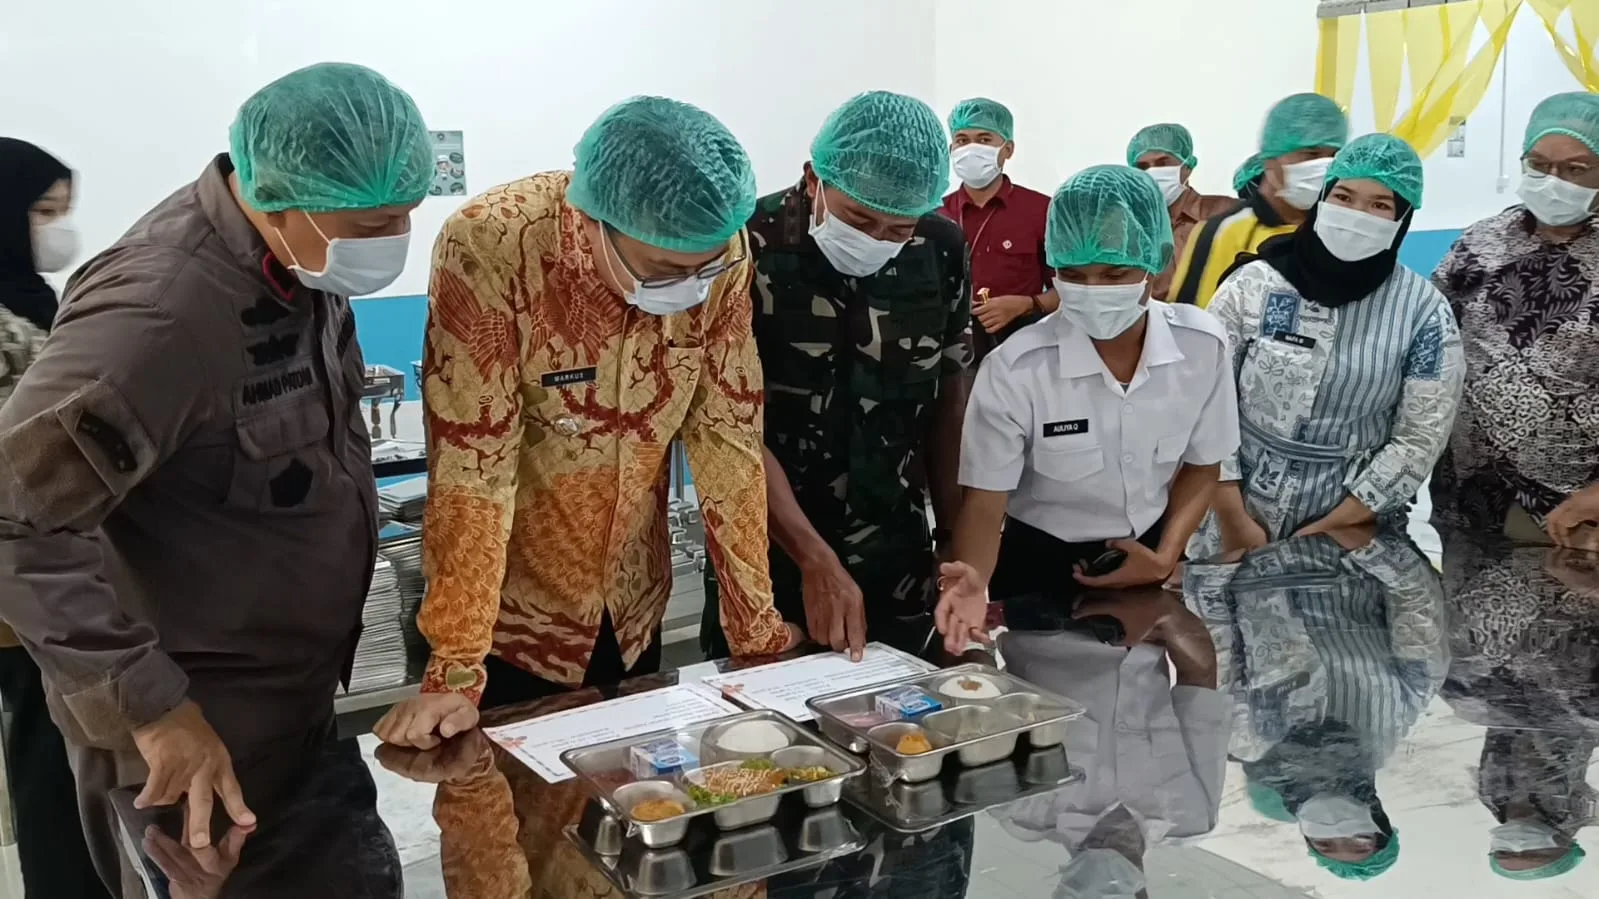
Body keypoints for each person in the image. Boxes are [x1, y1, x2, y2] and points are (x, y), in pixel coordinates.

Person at [0, 62, 429, 897]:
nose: (397, 237)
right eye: (376, 222)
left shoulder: (303, 264)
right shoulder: (158, 314)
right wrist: (154, 708)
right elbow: (15, 516)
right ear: (278, 196)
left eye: (407, 212)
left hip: (294, 709)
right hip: (195, 744)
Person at [377, 96, 801, 747]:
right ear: (595, 223)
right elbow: (474, 463)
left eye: (705, 269)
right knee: (517, 801)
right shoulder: (496, 243)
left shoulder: (721, 249)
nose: (691, 288)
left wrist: (755, 631)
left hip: (634, 604)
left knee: (637, 789)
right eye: (667, 270)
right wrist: (456, 669)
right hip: (512, 623)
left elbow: (728, 440)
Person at [699, 90, 969, 662]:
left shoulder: (939, 248)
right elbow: (725, 426)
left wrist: (952, 541)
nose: (876, 239)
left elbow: (948, 400)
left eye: (897, 229)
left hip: (896, 559)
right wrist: (812, 559)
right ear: (812, 178)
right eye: (859, 219)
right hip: (764, 558)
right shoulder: (745, 245)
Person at [936, 165, 1239, 651]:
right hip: (1038, 568)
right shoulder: (1017, 368)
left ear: (1154, 263)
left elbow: (1204, 464)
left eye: (1114, 274)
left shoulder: (1201, 347)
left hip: (1146, 562)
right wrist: (973, 580)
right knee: (1046, 690)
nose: (1094, 290)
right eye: (1074, 276)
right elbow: (986, 502)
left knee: (1145, 688)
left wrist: (1165, 556)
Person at [1200, 134, 1464, 555]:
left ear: (1402, 218)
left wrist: (1334, 526)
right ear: (1323, 198)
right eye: (1343, 196)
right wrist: (1233, 518)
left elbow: (1420, 436)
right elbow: (1205, 403)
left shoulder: (1423, 312)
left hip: (1352, 533)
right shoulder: (1253, 285)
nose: (1356, 214)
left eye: (1380, 205)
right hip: (1232, 519)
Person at [0, 138, 108, 899]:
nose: (58, 230)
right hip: (20, 569)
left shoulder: (36, 300)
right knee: (49, 747)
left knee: (73, 742)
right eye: (43, 212)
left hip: (67, 553)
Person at [1430, 92, 1599, 547]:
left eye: (1575, 169)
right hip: (1466, 499)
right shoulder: (1481, 242)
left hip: (1572, 516)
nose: (1553, 181)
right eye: (1538, 165)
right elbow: (1426, 336)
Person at [992, 587, 1227, 896]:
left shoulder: (1022, 812)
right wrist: (1165, 611)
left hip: (1036, 604)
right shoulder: (1192, 817)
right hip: (1137, 596)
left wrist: (968, 632)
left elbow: (975, 687)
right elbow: (1199, 675)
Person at [1169, 93, 1348, 308]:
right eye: (1311, 154)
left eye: (1334, 154)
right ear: (1272, 160)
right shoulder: (1224, 232)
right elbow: (1191, 320)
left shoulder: (1342, 231)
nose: (1324, 165)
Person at [939, 98, 1053, 361]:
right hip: (950, 356)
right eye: (962, 140)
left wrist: (1027, 304)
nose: (971, 148)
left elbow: (1071, 290)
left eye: (984, 139)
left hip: (1024, 353)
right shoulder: (936, 215)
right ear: (951, 149)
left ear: (1008, 149)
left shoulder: (1041, 210)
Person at [1125, 123, 1239, 301]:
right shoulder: (1129, 228)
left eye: (1163, 163)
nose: (1152, 172)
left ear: (1187, 165)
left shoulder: (1227, 214)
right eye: (1142, 167)